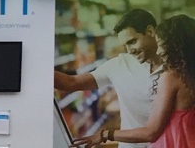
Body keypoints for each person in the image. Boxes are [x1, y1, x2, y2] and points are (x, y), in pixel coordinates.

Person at [72, 13, 195, 147]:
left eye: (162, 45)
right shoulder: (188, 73)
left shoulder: (171, 76)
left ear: (176, 45)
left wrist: (105, 134)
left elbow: (150, 133)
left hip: (172, 141)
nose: (159, 51)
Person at [56, 8, 165, 138]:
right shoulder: (119, 65)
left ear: (150, 31)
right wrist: (39, 70)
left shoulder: (177, 66)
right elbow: (71, 83)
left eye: (132, 42)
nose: (130, 51)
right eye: (126, 46)